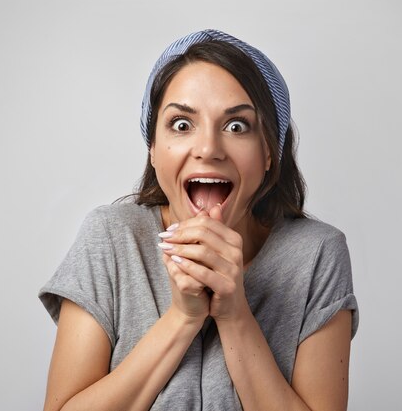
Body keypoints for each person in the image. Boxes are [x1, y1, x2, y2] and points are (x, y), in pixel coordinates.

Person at [39, 29, 359, 411]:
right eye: (181, 124)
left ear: (270, 154)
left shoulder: (318, 253)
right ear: (154, 149)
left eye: (237, 126)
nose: (208, 149)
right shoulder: (109, 237)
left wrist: (234, 313)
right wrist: (182, 317)